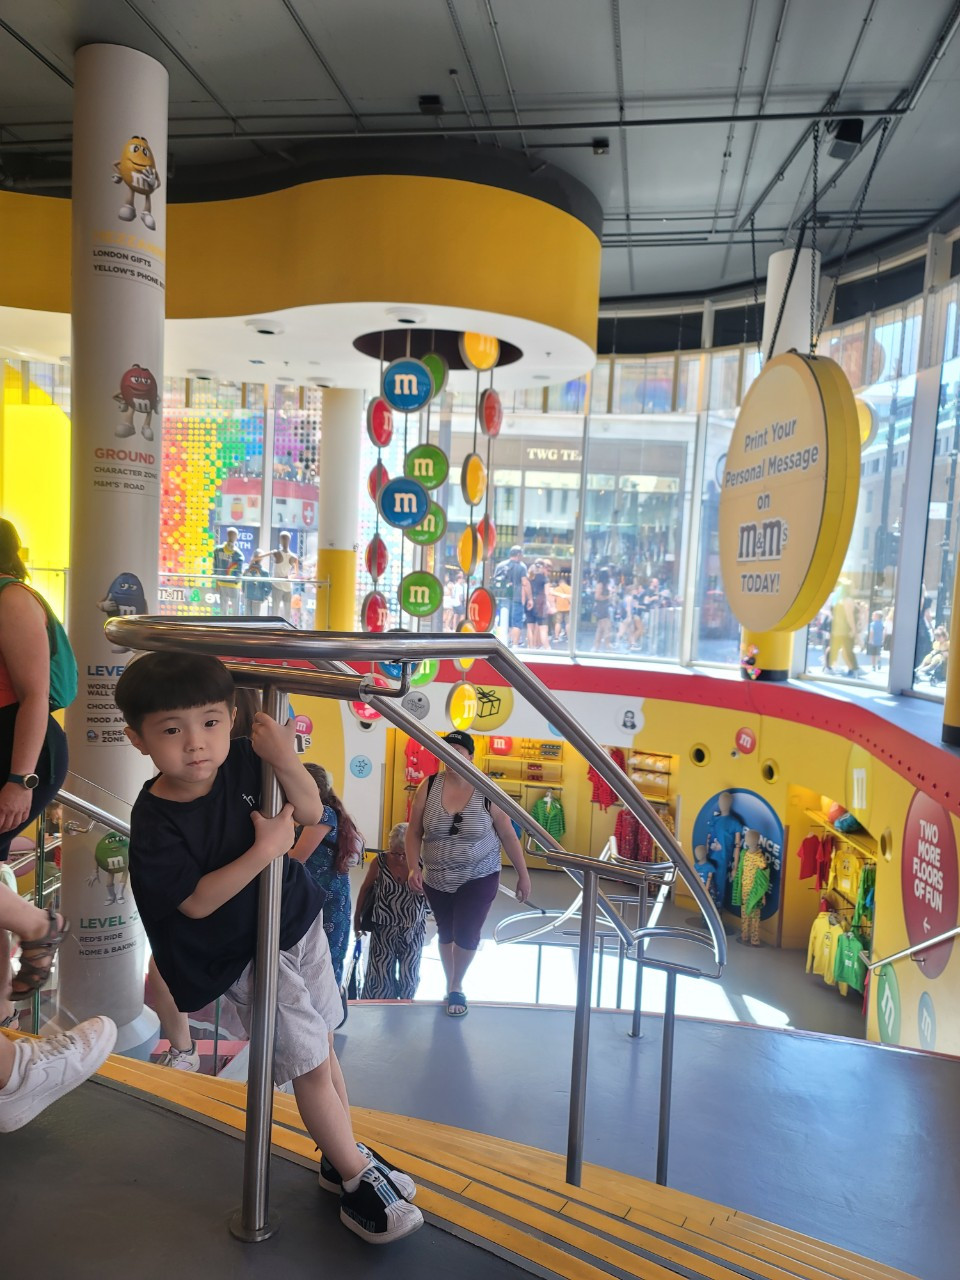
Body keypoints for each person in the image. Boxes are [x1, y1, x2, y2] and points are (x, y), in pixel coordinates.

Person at [115, 652, 422, 1243]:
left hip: (295, 919)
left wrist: (283, 756)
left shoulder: (242, 764)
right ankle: (357, 1180)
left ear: (230, 718)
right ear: (138, 739)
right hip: (243, 952)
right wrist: (265, 850)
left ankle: (341, 1156)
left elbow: (309, 810)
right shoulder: (155, 819)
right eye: (172, 730)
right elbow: (195, 902)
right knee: (308, 1060)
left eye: (210, 722)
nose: (196, 743)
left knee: (322, 1042)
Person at [406, 730, 530, 1017]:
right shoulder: (429, 786)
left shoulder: (487, 789)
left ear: (471, 757)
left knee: (466, 931)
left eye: (457, 751)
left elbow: (507, 834)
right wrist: (414, 866)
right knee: (446, 931)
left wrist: (523, 874)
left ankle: (456, 985)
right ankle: (451, 981)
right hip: (437, 877)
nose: (450, 756)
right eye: (445, 750)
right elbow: (413, 831)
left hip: (480, 874)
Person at [0, 520, 70, 1006]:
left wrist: (19, 780)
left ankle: (39, 926)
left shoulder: (11, 598)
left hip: (20, 751)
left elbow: (35, 696)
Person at [290, 764, 361, 987]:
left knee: (324, 963)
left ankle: (325, 1007)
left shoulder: (323, 815)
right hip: (317, 895)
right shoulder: (319, 814)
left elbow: (296, 858)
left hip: (327, 899)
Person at [354, 823, 426, 1000]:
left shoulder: (421, 864)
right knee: (380, 980)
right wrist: (357, 920)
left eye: (404, 853)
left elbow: (433, 895)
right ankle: (381, 1010)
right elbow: (365, 889)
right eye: (395, 853)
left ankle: (404, 1011)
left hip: (412, 929)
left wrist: (423, 890)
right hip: (383, 929)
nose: (400, 858)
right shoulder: (380, 861)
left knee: (409, 979)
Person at [494, 546, 528, 647]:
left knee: (503, 621)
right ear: (518, 554)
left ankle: (503, 643)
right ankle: (515, 645)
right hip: (516, 597)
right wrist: (527, 599)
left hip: (502, 597)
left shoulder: (500, 565)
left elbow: (495, 581)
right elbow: (524, 583)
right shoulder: (521, 566)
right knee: (516, 622)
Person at [213, 527, 244, 617]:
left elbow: (215, 567)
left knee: (224, 610)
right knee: (235, 611)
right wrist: (238, 582)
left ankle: (224, 623)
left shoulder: (218, 550)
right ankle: (235, 624)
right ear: (237, 537)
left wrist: (217, 581)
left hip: (223, 582)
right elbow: (239, 572)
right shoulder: (238, 554)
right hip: (233, 584)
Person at [270, 531, 298, 621]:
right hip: (281, 585)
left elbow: (295, 573)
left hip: (283, 585)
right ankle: (276, 626)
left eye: (285, 539)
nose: (284, 541)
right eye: (283, 539)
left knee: (281, 611)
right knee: (279, 611)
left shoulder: (293, 557)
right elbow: (295, 573)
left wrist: (289, 577)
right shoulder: (277, 553)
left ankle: (278, 626)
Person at [242, 550, 271, 617]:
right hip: (251, 597)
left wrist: (264, 596)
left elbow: (269, 587)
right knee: (252, 617)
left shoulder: (263, 572)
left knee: (250, 617)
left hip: (254, 597)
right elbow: (269, 587)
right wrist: (264, 596)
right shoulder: (247, 570)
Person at [593, 568, 613, 651]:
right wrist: (608, 597)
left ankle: (596, 647)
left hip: (604, 607)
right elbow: (597, 597)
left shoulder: (606, 585)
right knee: (606, 627)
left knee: (600, 629)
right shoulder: (600, 585)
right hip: (601, 608)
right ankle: (608, 646)